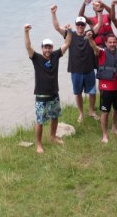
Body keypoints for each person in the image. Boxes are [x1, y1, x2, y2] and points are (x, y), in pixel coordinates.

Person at [24, 24, 71, 154]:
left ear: (52, 48)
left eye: (50, 47)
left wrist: (68, 31)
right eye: (46, 47)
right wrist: (26, 32)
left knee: (55, 117)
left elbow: (67, 43)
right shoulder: (36, 58)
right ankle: (39, 144)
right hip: (41, 96)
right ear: (42, 48)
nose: (48, 49)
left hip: (54, 94)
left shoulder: (55, 56)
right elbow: (28, 47)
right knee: (40, 121)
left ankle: (53, 137)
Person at [51, 4, 102, 122]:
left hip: (89, 69)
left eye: (82, 24)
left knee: (92, 92)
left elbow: (99, 24)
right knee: (77, 93)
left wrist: (99, 11)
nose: (80, 26)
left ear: (85, 26)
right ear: (75, 25)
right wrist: (53, 13)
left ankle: (91, 111)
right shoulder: (70, 35)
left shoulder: (89, 34)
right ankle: (81, 113)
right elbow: (57, 27)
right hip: (76, 70)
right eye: (78, 24)